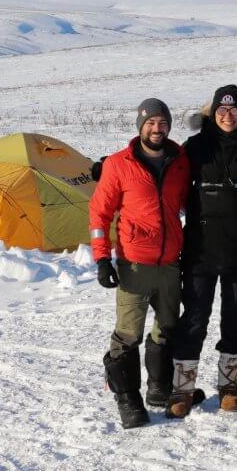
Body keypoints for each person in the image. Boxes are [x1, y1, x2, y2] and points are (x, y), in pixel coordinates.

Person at [164, 85, 237, 418]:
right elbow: (161, 170)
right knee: (193, 319)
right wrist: (110, 167)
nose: (227, 115)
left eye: (234, 110)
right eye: (222, 110)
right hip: (201, 250)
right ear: (212, 113)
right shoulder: (195, 147)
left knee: (236, 320)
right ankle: (182, 390)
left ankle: (229, 387)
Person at [89, 98, 191, 429]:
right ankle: (127, 398)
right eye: (150, 122)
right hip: (134, 264)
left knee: (166, 328)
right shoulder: (119, 164)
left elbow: (188, 202)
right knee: (127, 334)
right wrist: (102, 257)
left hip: (170, 264)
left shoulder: (180, 161)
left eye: (162, 122)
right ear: (140, 125)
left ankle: (158, 387)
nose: (157, 129)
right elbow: (99, 214)